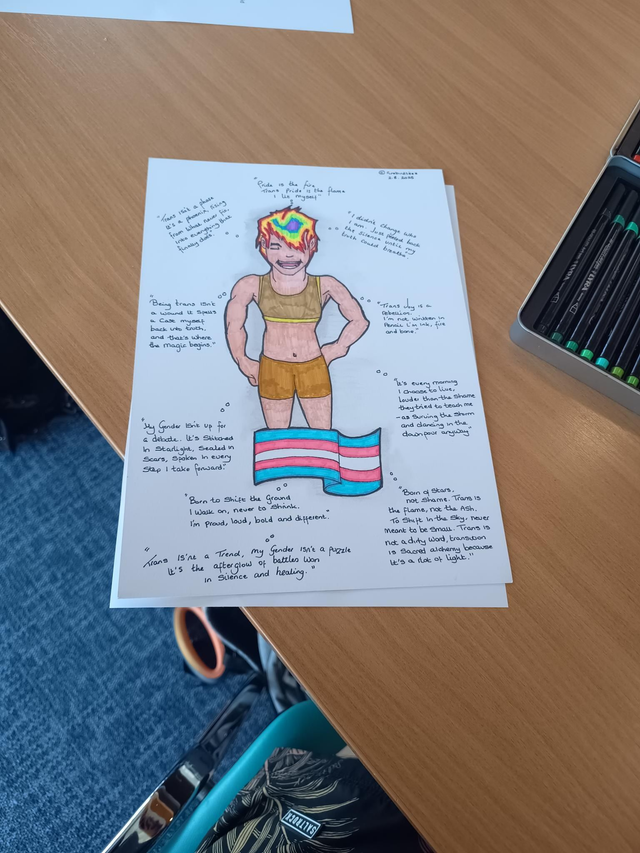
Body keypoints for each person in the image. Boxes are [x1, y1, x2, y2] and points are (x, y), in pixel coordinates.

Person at [225, 207, 369, 430]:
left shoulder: (326, 284)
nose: (288, 255)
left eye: (296, 247)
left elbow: (359, 321)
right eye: (277, 246)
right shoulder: (250, 284)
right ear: (263, 246)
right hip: (272, 368)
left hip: (313, 367)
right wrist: (242, 360)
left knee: (322, 437)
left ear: (311, 247)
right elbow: (234, 326)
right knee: (276, 440)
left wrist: (337, 348)